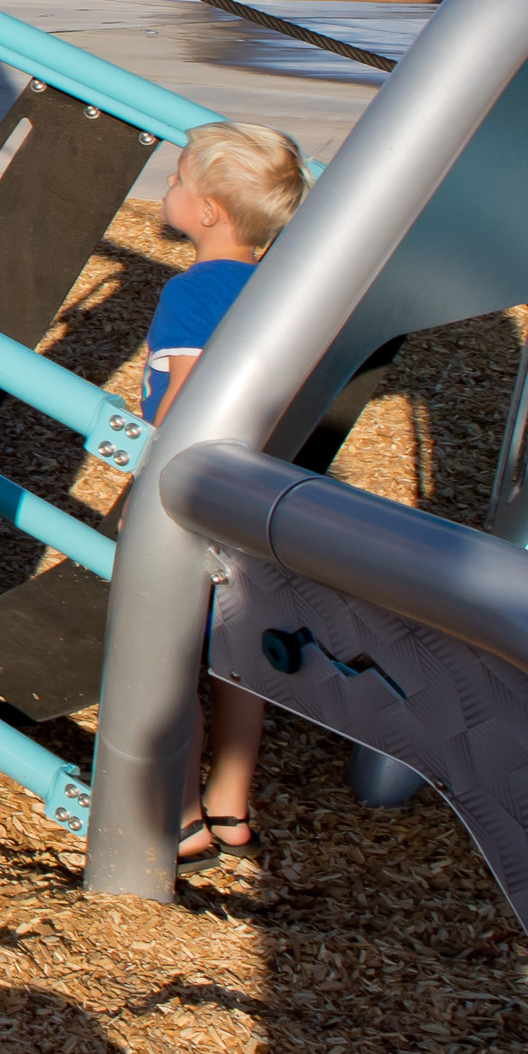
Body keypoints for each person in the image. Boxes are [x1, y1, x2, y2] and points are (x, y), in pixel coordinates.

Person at [142, 119, 312, 859]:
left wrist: (149, 487)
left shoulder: (195, 291)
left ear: (207, 210)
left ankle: (178, 815)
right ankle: (230, 807)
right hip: (262, 489)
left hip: (197, 494)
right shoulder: (283, 289)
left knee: (172, 652)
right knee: (236, 652)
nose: (169, 190)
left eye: (178, 181)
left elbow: (184, 407)